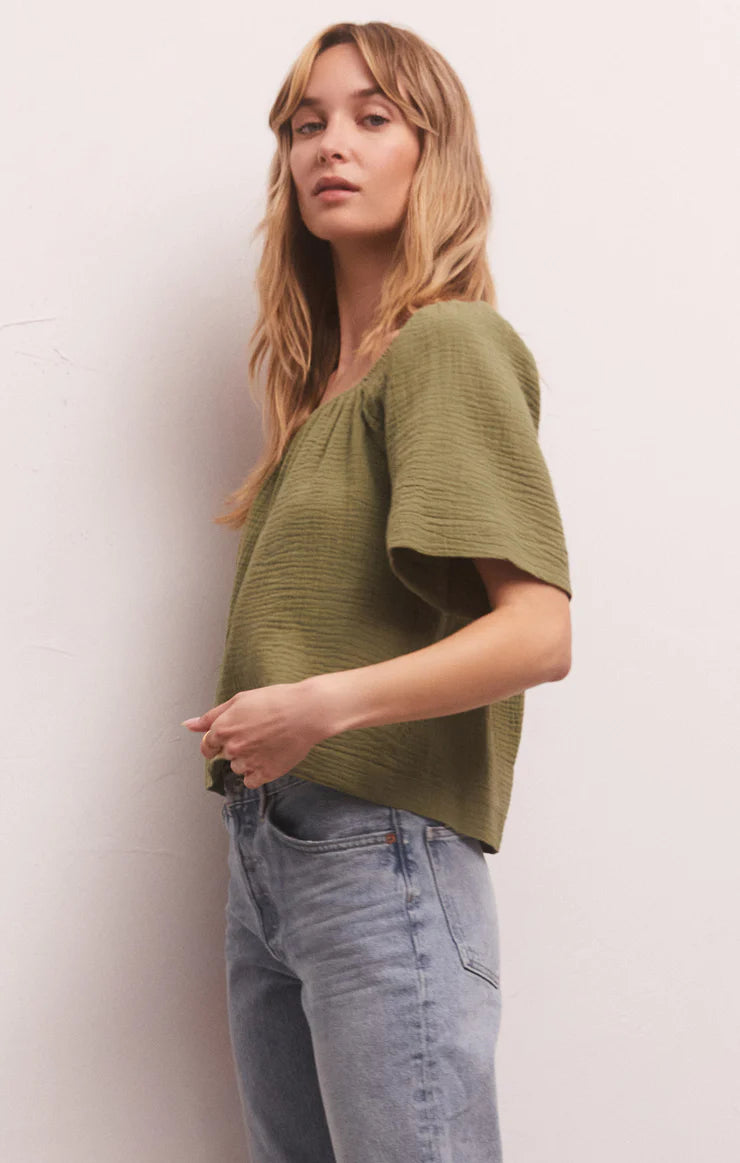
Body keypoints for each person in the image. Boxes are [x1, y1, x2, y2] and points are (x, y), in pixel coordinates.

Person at [182, 20, 572, 1163]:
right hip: (271, 853)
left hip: (377, 849)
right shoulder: (320, 397)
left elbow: (538, 630)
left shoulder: (444, 345)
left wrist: (318, 706)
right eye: (305, 125)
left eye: (370, 117)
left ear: (429, 150)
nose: (328, 146)